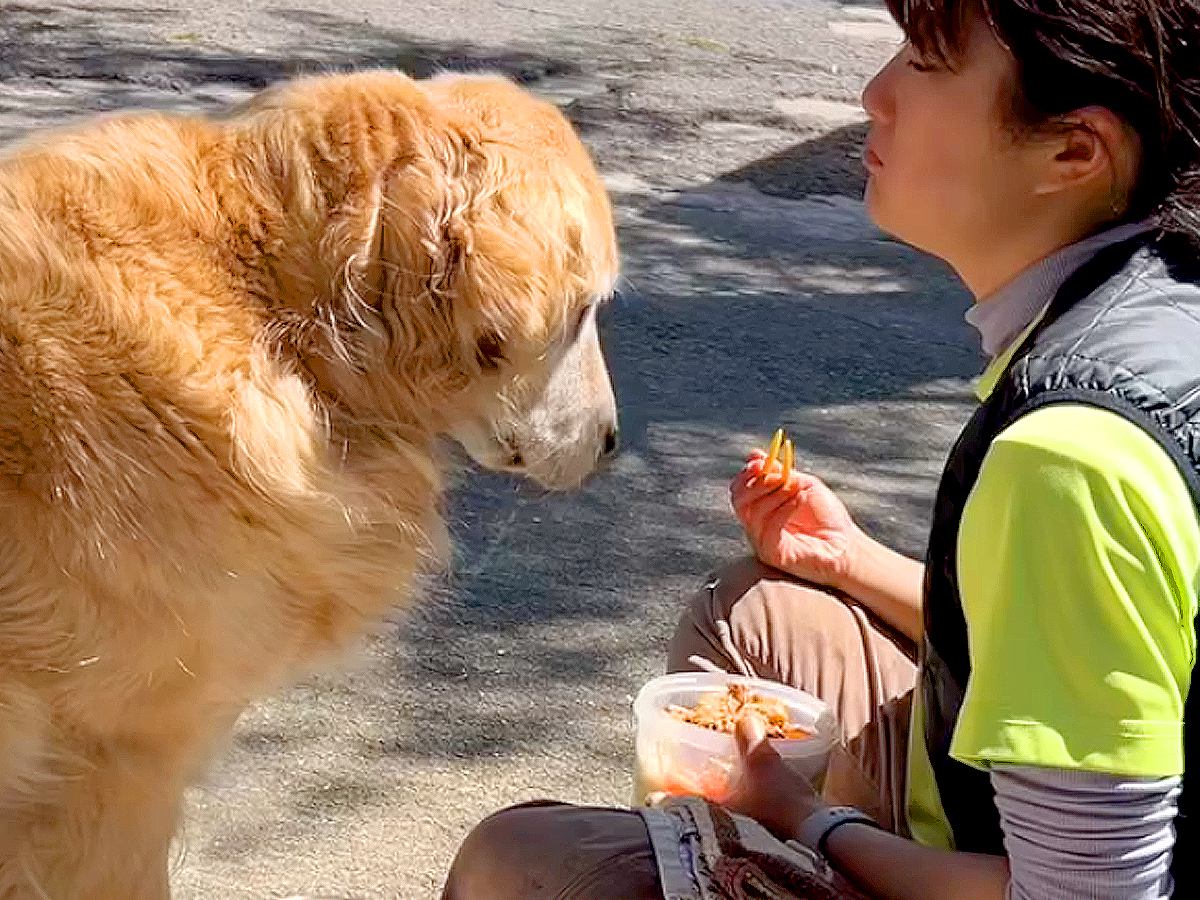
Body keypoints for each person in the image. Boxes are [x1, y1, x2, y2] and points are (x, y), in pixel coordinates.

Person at [441, 0, 1200, 896]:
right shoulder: (1155, 298)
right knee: (755, 614)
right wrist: (848, 559)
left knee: (526, 863)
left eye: (925, 63)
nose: (874, 94)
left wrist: (810, 824)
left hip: (1050, 874)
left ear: (1074, 152)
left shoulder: (1070, 459)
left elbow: (1088, 898)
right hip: (996, 815)